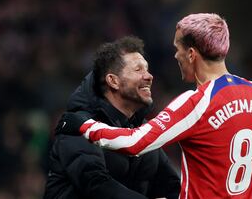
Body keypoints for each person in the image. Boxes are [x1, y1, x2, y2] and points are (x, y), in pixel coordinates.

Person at [62, 13, 252, 199]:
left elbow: (134, 143)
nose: (175, 55)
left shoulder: (197, 102)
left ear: (192, 54)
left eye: (177, 48)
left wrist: (85, 125)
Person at [43, 36, 180, 199]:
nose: (149, 76)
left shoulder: (143, 130)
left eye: (147, 69)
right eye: (138, 70)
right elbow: (96, 186)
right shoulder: (78, 125)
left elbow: (172, 185)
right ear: (113, 81)